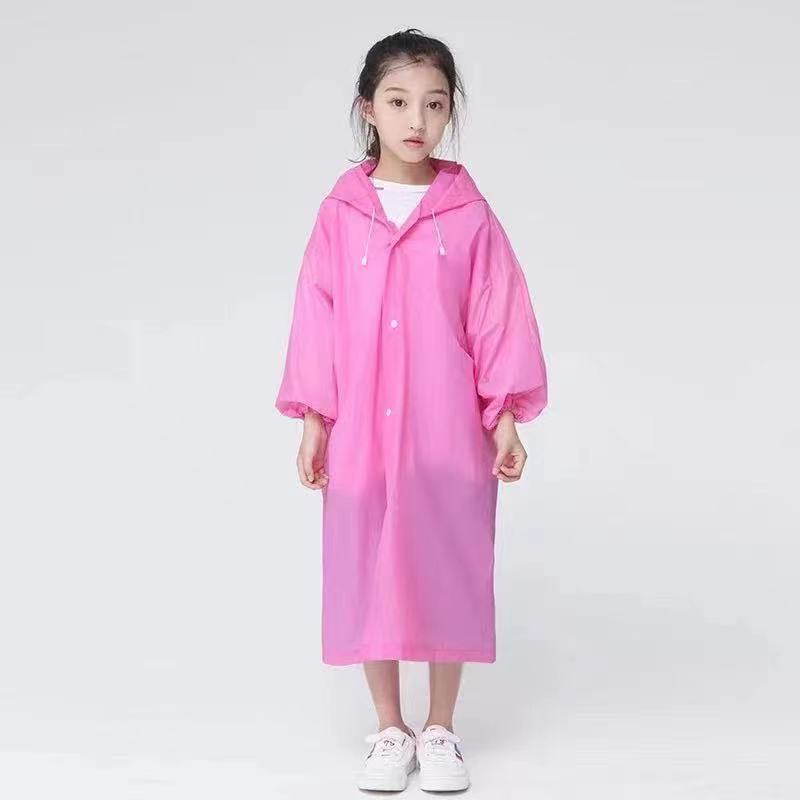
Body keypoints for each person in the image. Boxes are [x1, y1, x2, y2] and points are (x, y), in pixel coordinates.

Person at [275, 28, 548, 793]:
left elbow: (495, 315)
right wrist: (315, 419)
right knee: (367, 560)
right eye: (397, 102)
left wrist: (503, 416)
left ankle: (441, 728)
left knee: (447, 561)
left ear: (450, 110)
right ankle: (389, 727)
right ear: (367, 108)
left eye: (433, 104)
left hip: (445, 425)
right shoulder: (340, 215)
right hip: (361, 426)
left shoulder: (468, 215)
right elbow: (317, 316)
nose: (416, 120)